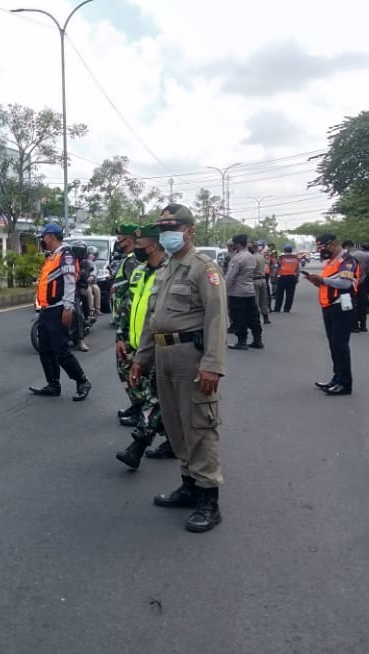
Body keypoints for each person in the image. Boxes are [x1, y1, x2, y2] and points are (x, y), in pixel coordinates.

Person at [130, 204, 227, 533]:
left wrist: (213, 364)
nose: (166, 231)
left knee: (199, 425)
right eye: (162, 226)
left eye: (172, 225)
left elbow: (217, 318)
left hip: (191, 356)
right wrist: (141, 358)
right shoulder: (166, 268)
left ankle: (208, 499)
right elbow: (152, 318)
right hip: (163, 354)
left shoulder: (204, 268)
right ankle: (188, 484)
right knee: (175, 426)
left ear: (189, 230)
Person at [114, 224, 174, 470]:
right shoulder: (138, 271)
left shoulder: (171, 271)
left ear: (154, 245)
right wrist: (120, 335)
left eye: (139, 246)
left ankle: (138, 445)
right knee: (139, 391)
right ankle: (171, 437)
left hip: (160, 347)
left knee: (154, 398)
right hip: (133, 344)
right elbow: (127, 304)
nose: (135, 249)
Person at [29, 223, 92, 402]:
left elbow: (70, 281)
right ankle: (53, 384)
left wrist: (68, 307)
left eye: (44, 237)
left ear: (51, 236)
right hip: (46, 309)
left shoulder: (66, 256)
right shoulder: (52, 257)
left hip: (58, 309)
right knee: (45, 349)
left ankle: (82, 381)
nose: (43, 240)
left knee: (61, 350)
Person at [302, 233, 358, 396]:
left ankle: (345, 384)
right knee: (334, 345)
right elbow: (330, 285)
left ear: (333, 245)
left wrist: (323, 280)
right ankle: (337, 378)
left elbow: (345, 283)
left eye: (322, 247)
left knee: (340, 346)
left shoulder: (347, 261)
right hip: (330, 306)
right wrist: (317, 281)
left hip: (342, 307)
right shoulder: (332, 262)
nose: (321, 251)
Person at [110, 223, 141, 425]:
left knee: (128, 367)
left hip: (130, 323)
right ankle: (137, 405)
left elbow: (132, 295)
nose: (118, 243)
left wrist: (123, 327)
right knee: (127, 367)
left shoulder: (132, 261)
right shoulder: (128, 259)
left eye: (120, 239)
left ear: (128, 240)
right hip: (125, 321)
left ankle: (140, 408)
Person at [225, 234, 262, 350]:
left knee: (239, 317)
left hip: (237, 293)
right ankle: (257, 340)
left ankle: (242, 341)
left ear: (237, 244)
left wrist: (224, 289)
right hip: (249, 291)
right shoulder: (251, 256)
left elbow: (230, 276)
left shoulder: (237, 258)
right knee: (253, 317)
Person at [345, 241, 369, 333]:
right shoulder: (365, 255)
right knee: (362, 303)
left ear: (347, 247)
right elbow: (368, 269)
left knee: (354, 304)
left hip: (353, 282)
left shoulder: (349, 257)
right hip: (363, 280)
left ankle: (354, 326)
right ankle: (363, 325)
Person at [272, 244, 301, 313]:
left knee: (279, 294)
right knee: (290, 294)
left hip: (282, 277)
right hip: (292, 278)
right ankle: (287, 309)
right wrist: (297, 277)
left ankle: (277, 308)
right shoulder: (296, 258)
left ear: (284, 250)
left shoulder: (281, 258)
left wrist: (274, 276)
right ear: (291, 250)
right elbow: (298, 269)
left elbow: (276, 267)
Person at [252, 241, 271, 325]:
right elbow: (267, 263)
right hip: (263, 279)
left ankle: (255, 319)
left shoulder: (252, 258)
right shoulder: (261, 256)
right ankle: (266, 317)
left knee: (255, 301)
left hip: (255, 280)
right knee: (263, 300)